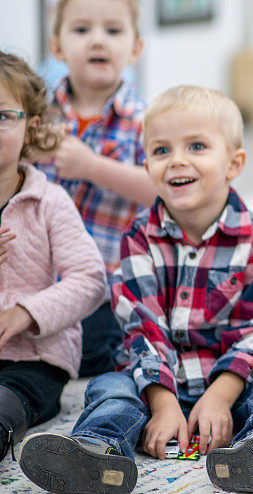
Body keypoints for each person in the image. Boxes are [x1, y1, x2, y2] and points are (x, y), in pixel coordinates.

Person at [19, 86, 253, 494]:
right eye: (161, 151)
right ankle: (97, 451)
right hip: (154, 381)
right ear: (147, 165)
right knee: (109, 388)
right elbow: (142, 328)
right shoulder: (139, 237)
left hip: (238, 382)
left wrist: (219, 397)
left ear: (234, 163)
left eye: (196, 146)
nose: (177, 159)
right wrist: (162, 402)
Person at [34, 0, 156, 376]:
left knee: (98, 354)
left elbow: (162, 189)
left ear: (135, 48)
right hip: (37, 278)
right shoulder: (36, 113)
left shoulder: (146, 119)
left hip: (104, 288)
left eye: (114, 31)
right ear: (56, 47)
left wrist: (92, 166)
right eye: (82, 30)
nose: (98, 41)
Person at [0, 51, 106, 462]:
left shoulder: (50, 201)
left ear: (32, 128)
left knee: (9, 402)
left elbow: (90, 279)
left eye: (3, 116)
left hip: (34, 359)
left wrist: (24, 313)